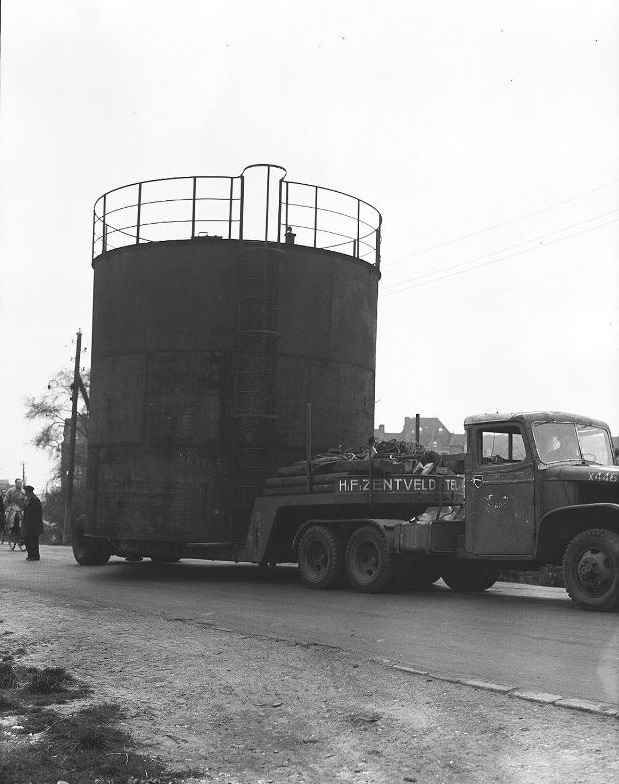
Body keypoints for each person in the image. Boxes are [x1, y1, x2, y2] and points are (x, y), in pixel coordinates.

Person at [22, 485, 43, 561]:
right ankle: (30, 554)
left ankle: (35, 556)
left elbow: (38, 513)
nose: (25, 493)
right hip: (27, 523)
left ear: (29, 492)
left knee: (33, 540)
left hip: (34, 524)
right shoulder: (27, 499)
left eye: (26, 492)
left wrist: (36, 524)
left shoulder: (35, 500)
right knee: (27, 539)